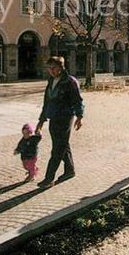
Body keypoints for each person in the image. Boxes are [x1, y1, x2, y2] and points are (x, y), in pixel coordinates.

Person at [36, 56, 84, 189]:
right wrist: (41, 121)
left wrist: (80, 117)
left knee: (57, 149)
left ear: (61, 68)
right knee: (62, 145)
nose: (51, 71)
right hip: (53, 117)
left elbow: (77, 100)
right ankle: (70, 171)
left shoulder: (70, 82)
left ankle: (48, 178)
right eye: (49, 68)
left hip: (65, 118)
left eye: (53, 68)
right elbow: (47, 102)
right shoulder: (51, 81)